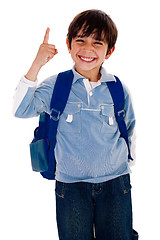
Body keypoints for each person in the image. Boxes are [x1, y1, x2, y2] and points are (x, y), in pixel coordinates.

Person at [13, 9, 138, 240]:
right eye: (80, 40)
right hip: (70, 187)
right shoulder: (57, 85)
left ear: (109, 51)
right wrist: (37, 64)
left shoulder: (117, 89)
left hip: (115, 184)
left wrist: (128, 161)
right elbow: (20, 109)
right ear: (68, 45)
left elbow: (128, 127)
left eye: (97, 42)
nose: (87, 49)